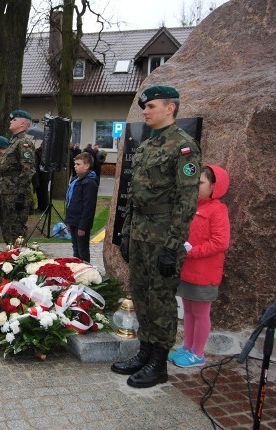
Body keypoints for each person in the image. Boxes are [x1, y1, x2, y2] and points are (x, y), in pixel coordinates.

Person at [111, 85, 201, 389]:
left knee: (161, 299)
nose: (145, 112)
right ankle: (144, 353)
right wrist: (125, 233)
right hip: (140, 233)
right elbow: (136, 196)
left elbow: (186, 202)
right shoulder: (148, 145)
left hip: (163, 237)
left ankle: (159, 364)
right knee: (141, 293)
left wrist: (173, 247)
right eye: (144, 108)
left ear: (170, 108)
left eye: (151, 107)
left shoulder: (184, 146)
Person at [170, 165, 230, 368]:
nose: (195, 185)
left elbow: (221, 242)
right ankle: (187, 347)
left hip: (204, 272)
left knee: (201, 313)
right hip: (187, 269)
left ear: (214, 185)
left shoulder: (218, 209)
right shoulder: (191, 206)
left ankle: (197, 353)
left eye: (201, 182)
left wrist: (192, 251)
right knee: (187, 311)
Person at [0, 110, 36, 244]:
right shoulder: (13, 141)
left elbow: (28, 169)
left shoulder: (24, 142)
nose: (11, 121)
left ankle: (18, 258)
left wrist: (20, 193)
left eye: (14, 120)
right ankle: (9, 256)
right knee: (7, 226)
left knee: (16, 228)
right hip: (7, 191)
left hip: (16, 192)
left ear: (23, 124)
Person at [64, 152, 98, 263]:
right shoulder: (76, 180)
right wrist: (68, 222)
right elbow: (71, 202)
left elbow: (89, 207)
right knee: (76, 249)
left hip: (81, 223)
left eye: (78, 164)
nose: (75, 167)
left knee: (82, 251)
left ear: (87, 166)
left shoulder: (89, 182)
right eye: (75, 164)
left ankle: (86, 272)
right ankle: (78, 271)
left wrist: (83, 226)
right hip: (73, 220)